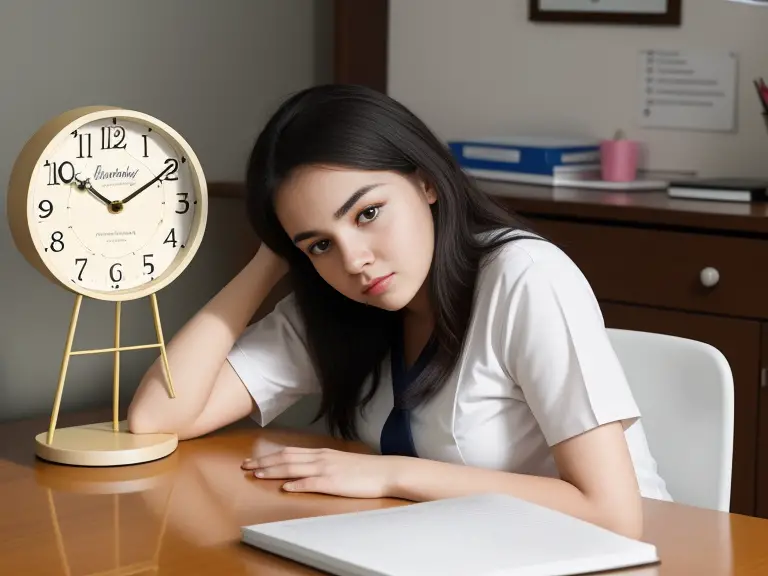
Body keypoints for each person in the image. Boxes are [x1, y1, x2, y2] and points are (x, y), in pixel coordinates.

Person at [127, 84, 671, 539]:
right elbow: (157, 419)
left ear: (426, 181)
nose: (354, 261)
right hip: (457, 549)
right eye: (318, 243)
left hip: (609, 556)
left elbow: (613, 514)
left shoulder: (525, 276)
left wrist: (389, 475)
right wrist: (269, 260)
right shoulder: (337, 301)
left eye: (367, 213)